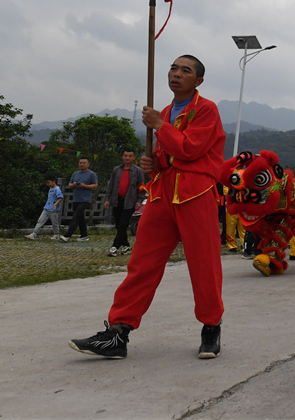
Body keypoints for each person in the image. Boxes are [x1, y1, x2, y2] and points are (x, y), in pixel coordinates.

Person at [69, 55, 226, 359]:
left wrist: (159, 127)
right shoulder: (165, 111)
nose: (177, 74)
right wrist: (153, 164)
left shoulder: (206, 109)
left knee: (204, 264)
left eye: (186, 70)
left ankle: (211, 327)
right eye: (173, 68)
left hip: (195, 192)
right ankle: (118, 332)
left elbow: (190, 149)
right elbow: (168, 156)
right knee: (142, 262)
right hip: (161, 193)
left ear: (198, 81)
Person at [103, 149, 146, 257]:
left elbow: (141, 187)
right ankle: (126, 246)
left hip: (130, 202)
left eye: (130, 156)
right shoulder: (116, 170)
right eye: (125, 155)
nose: (127, 158)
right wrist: (107, 199)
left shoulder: (137, 171)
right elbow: (111, 185)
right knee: (118, 225)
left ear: (133, 158)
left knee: (123, 224)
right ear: (122, 156)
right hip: (117, 200)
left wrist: (139, 201)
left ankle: (114, 247)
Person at [60, 157, 98, 242]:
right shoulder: (75, 174)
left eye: (84, 163)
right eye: (80, 163)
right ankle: (84, 235)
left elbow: (95, 185)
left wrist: (85, 186)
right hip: (76, 199)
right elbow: (69, 185)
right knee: (80, 218)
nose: (82, 164)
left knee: (76, 216)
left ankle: (68, 235)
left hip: (85, 199)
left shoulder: (91, 174)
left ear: (88, 164)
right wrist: (73, 185)